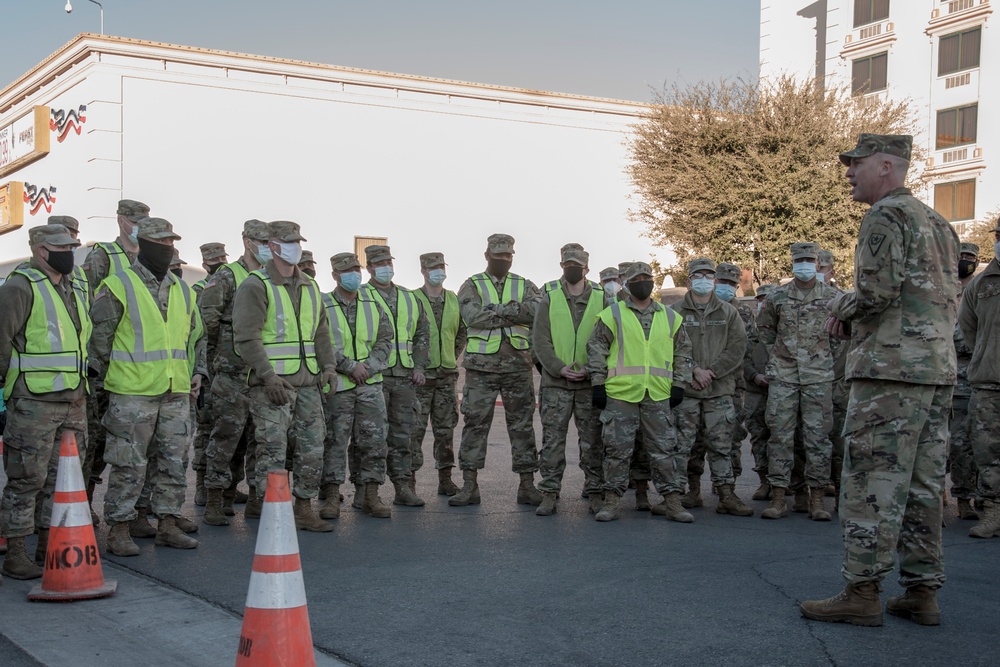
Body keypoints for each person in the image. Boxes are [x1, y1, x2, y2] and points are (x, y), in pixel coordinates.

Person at [802, 133, 958, 627]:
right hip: (934, 371)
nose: (848, 172)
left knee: (873, 482)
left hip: (890, 372)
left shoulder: (885, 216)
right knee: (922, 486)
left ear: (887, 166)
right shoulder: (939, 223)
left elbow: (876, 292)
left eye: (856, 163)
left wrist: (839, 307)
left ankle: (862, 592)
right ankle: (922, 592)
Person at [88, 217, 206, 556]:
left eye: (171, 243)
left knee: (172, 462)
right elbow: (99, 343)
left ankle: (167, 524)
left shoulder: (183, 289)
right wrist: (106, 389)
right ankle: (120, 529)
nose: (168, 249)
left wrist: (196, 372)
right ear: (143, 245)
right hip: (131, 393)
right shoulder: (118, 285)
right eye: (161, 244)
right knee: (128, 464)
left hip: (175, 392)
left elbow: (193, 336)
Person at [233, 220, 340, 533]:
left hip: (307, 384)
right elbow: (247, 337)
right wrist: (267, 376)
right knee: (272, 450)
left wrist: (329, 367)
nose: (297, 247)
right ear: (274, 246)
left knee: (312, 446)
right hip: (273, 387)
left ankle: (303, 508)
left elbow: (321, 332)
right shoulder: (256, 285)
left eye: (298, 241)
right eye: (289, 242)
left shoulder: (309, 285)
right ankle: (272, 512)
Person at [0, 224, 90, 579]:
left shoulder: (72, 285)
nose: (70, 252)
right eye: (63, 247)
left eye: (72, 246)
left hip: (73, 401)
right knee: (26, 480)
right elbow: (1, 343)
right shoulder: (20, 287)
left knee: (62, 482)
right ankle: (17, 553)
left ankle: (48, 548)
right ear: (41, 250)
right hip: (33, 402)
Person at [585, 261, 692, 522]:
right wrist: (598, 383)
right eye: (636, 279)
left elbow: (683, 353)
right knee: (617, 451)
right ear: (627, 284)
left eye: (647, 277)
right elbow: (596, 349)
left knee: (664, 450)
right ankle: (612, 501)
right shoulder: (613, 314)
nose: (642, 282)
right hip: (621, 394)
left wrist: (679, 384)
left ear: (652, 282)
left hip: (658, 393)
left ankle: (673, 501)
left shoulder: (670, 317)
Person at [450, 234, 543, 506]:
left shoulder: (524, 284)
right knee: (475, 425)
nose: (503, 260)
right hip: (481, 369)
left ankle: (527, 485)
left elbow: (536, 311)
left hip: (518, 366)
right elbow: (471, 316)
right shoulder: (471, 284)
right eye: (498, 256)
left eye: (507, 256)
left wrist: (494, 311)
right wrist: (514, 311)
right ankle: (469, 486)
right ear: (486, 255)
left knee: (523, 426)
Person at [756, 243, 839, 522]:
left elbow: (842, 335)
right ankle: (779, 497)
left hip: (819, 377)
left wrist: (826, 360)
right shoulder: (778, 296)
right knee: (780, 435)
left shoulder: (832, 296)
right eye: (799, 259)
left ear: (818, 264)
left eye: (809, 260)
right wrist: (777, 358)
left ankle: (817, 499)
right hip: (784, 377)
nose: (804, 264)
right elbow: (765, 331)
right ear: (792, 262)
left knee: (818, 439)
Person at [80, 199, 149, 523]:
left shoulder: (150, 260)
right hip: (104, 366)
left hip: (137, 370)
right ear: (121, 220)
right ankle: (82, 502)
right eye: (135, 219)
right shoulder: (103, 257)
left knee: (130, 445)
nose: (139, 225)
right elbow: (87, 308)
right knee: (94, 441)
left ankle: (132, 509)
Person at [199, 221, 268, 524]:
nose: (266, 246)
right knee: (226, 438)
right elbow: (207, 324)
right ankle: (216, 498)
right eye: (260, 241)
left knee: (260, 440)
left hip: (263, 374)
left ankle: (255, 497)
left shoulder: (272, 278)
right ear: (246, 241)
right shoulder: (227, 276)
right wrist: (215, 365)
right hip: (231, 373)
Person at [672, 258, 752, 519]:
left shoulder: (729, 313)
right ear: (689, 280)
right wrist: (694, 370)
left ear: (715, 280)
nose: (704, 280)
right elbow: (668, 347)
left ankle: (726, 495)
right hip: (688, 389)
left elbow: (737, 347)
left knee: (722, 445)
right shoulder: (674, 312)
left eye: (708, 275)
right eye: (698, 275)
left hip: (719, 390)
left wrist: (712, 372)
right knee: (685, 446)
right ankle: (689, 492)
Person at [533, 243, 605, 516]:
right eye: (568, 265)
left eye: (578, 265)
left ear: (587, 268)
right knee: (552, 441)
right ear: (561, 266)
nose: (573, 269)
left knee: (593, 441)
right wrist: (558, 368)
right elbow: (540, 339)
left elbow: (607, 339)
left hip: (588, 384)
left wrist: (592, 369)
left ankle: (595, 491)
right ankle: (549, 492)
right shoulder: (549, 295)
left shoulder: (602, 297)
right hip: (556, 384)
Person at [322, 252, 394, 518]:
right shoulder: (324, 304)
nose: (353, 274)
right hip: (337, 386)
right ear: (335, 275)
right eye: (346, 270)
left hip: (370, 386)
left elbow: (386, 339)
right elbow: (320, 342)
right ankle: (330, 496)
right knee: (334, 442)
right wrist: (351, 367)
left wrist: (369, 367)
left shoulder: (372, 303)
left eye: (356, 269)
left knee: (374, 442)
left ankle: (370, 495)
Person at [361, 245, 429, 507]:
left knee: (403, 434)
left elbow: (423, 333)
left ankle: (403, 486)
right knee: (369, 437)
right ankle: (365, 489)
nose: (386, 267)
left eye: (388, 262)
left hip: (404, 377)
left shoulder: (409, 297)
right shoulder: (362, 295)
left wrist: (419, 366)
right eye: (379, 263)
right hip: (372, 377)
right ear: (369, 268)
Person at [411, 252, 467, 496]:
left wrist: (452, 356)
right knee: (413, 431)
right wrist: (416, 365)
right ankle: (408, 481)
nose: (438, 271)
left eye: (441, 267)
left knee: (445, 431)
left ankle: (445, 479)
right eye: (433, 267)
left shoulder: (453, 299)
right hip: (419, 378)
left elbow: (462, 333)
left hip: (446, 376)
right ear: (423, 271)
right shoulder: (412, 299)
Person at [959, 228, 1000, 538]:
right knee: (987, 451)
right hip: (987, 381)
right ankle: (993, 512)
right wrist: (986, 355)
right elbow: (968, 326)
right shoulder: (981, 284)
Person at [188, 242, 229, 508]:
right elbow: (200, 334)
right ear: (204, 264)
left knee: (228, 430)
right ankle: (203, 486)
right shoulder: (197, 291)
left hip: (226, 370)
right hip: (208, 370)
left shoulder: (233, 288)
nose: (219, 262)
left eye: (222, 257)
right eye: (214, 260)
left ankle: (227, 488)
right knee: (206, 430)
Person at [950, 242, 981, 521]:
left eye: (970, 258)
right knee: (959, 442)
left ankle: (984, 495)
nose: (965, 261)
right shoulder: (945, 289)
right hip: (954, 377)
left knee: (983, 439)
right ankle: (962, 497)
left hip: (981, 375)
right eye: (961, 257)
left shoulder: (982, 289)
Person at [745, 283, 774, 500]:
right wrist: (755, 375)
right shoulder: (750, 330)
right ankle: (764, 481)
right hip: (755, 391)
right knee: (758, 436)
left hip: (782, 390)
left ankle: (788, 483)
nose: (764, 303)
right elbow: (741, 357)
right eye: (761, 299)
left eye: (768, 299)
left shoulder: (783, 330)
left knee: (784, 438)